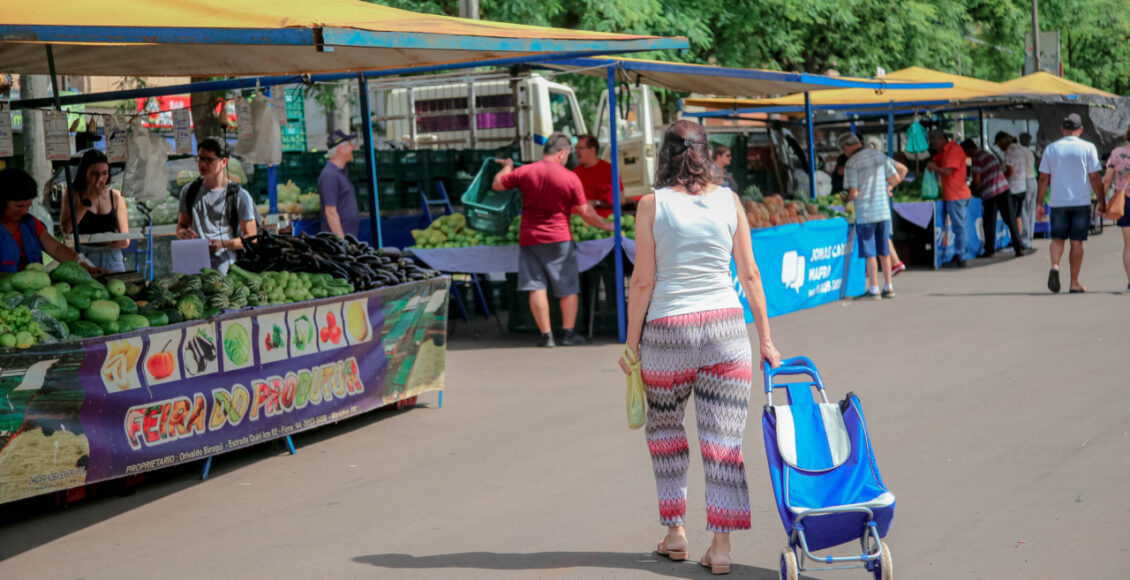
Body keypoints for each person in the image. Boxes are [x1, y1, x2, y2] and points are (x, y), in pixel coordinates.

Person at [618, 120, 780, 575]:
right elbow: (749, 274)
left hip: (669, 330)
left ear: (664, 155)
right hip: (726, 330)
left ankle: (675, 534)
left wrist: (632, 345)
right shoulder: (730, 200)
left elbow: (644, 279)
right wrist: (765, 338)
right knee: (724, 442)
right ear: (707, 154)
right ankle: (722, 548)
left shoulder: (651, 205)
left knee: (666, 435)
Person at [492, 132, 612, 347]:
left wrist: (507, 166)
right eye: (568, 154)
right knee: (567, 287)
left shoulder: (526, 171)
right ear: (561, 153)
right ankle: (568, 334)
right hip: (559, 239)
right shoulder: (570, 177)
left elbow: (498, 185)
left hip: (530, 238)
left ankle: (546, 336)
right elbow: (584, 211)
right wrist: (604, 225)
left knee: (536, 286)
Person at [1037, 113, 1105, 293]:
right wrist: (1102, 201)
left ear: (1062, 129)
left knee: (1057, 238)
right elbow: (1095, 177)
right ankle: (1074, 282)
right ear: (1080, 129)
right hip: (1080, 202)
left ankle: (1055, 265)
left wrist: (1039, 204)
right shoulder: (1088, 148)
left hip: (1058, 202)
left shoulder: (1051, 149)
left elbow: (1044, 179)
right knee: (1077, 243)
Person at [176, 137, 258, 274]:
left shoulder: (239, 195)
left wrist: (222, 244)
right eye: (200, 159)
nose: (202, 164)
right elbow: (181, 225)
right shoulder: (189, 191)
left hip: (227, 268)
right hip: (193, 264)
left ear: (223, 162)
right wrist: (182, 234)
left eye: (209, 160)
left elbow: (252, 239)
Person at [0, 168, 104, 274]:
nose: (24, 210)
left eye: (28, 205)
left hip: (34, 286)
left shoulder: (30, 223)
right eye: (19, 206)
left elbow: (56, 248)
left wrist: (82, 265)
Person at [841, 133, 907, 299]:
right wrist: (887, 187)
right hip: (883, 211)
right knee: (884, 250)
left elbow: (853, 193)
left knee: (870, 252)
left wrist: (845, 198)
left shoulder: (852, 163)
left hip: (866, 212)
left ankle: (874, 289)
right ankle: (889, 286)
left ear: (847, 147)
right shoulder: (879, 155)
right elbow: (896, 177)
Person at [60, 149, 130, 273]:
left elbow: (125, 240)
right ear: (84, 173)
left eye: (105, 173)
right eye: (94, 174)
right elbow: (66, 229)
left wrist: (105, 241)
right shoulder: (73, 194)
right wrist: (88, 201)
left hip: (112, 257)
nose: (100, 179)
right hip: (83, 256)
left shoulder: (116, 197)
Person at [963, 139, 1026, 258]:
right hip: (1004, 189)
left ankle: (990, 251)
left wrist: (972, 188)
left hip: (991, 193)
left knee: (989, 222)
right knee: (1011, 220)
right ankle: (1020, 248)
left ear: (969, 150)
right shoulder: (987, 154)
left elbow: (976, 180)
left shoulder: (976, 158)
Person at [927, 129, 972, 268]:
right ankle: (959, 254)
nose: (934, 147)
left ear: (940, 140)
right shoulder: (946, 151)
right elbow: (937, 160)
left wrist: (934, 168)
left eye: (934, 144)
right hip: (952, 194)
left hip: (956, 195)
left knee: (959, 228)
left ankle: (961, 257)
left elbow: (948, 170)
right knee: (959, 227)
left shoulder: (953, 150)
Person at [1101, 126, 1130, 292]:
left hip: (1124, 201)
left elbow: (1107, 180)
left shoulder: (1117, 153)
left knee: (1128, 245)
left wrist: (1101, 202)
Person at [318, 129, 360, 238]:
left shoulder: (340, 173)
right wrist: (342, 242)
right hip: (338, 244)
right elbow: (330, 212)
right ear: (341, 148)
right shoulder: (330, 175)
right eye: (350, 145)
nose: (353, 148)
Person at [572, 134, 623, 219]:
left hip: (605, 221)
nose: (576, 151)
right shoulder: (575, 172)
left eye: (580, 148)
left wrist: (597, 203)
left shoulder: (609, 170)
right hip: (580, 222)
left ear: (592, 150)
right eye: (576, 148)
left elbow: (621, 200)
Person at [996, 132, 1032, 250]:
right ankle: (1020, 240)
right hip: (1022, 186)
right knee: (1018, 216)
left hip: (1013, 188)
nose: (1000, 148)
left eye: (999, 145)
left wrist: (999, 177)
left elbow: (1010, 171)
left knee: (1011, 218)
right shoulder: (1021, 149)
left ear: (1003, 142)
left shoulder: (1010, 152)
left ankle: (1018, 244)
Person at [1018, 132, 1039, 249]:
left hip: (1025, 181)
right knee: (1030, 211)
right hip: (1033, 181)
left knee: (1025, 211)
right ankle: (1029, 238)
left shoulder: (1020, 151)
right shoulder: (1030, 152)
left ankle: (1025, 240)